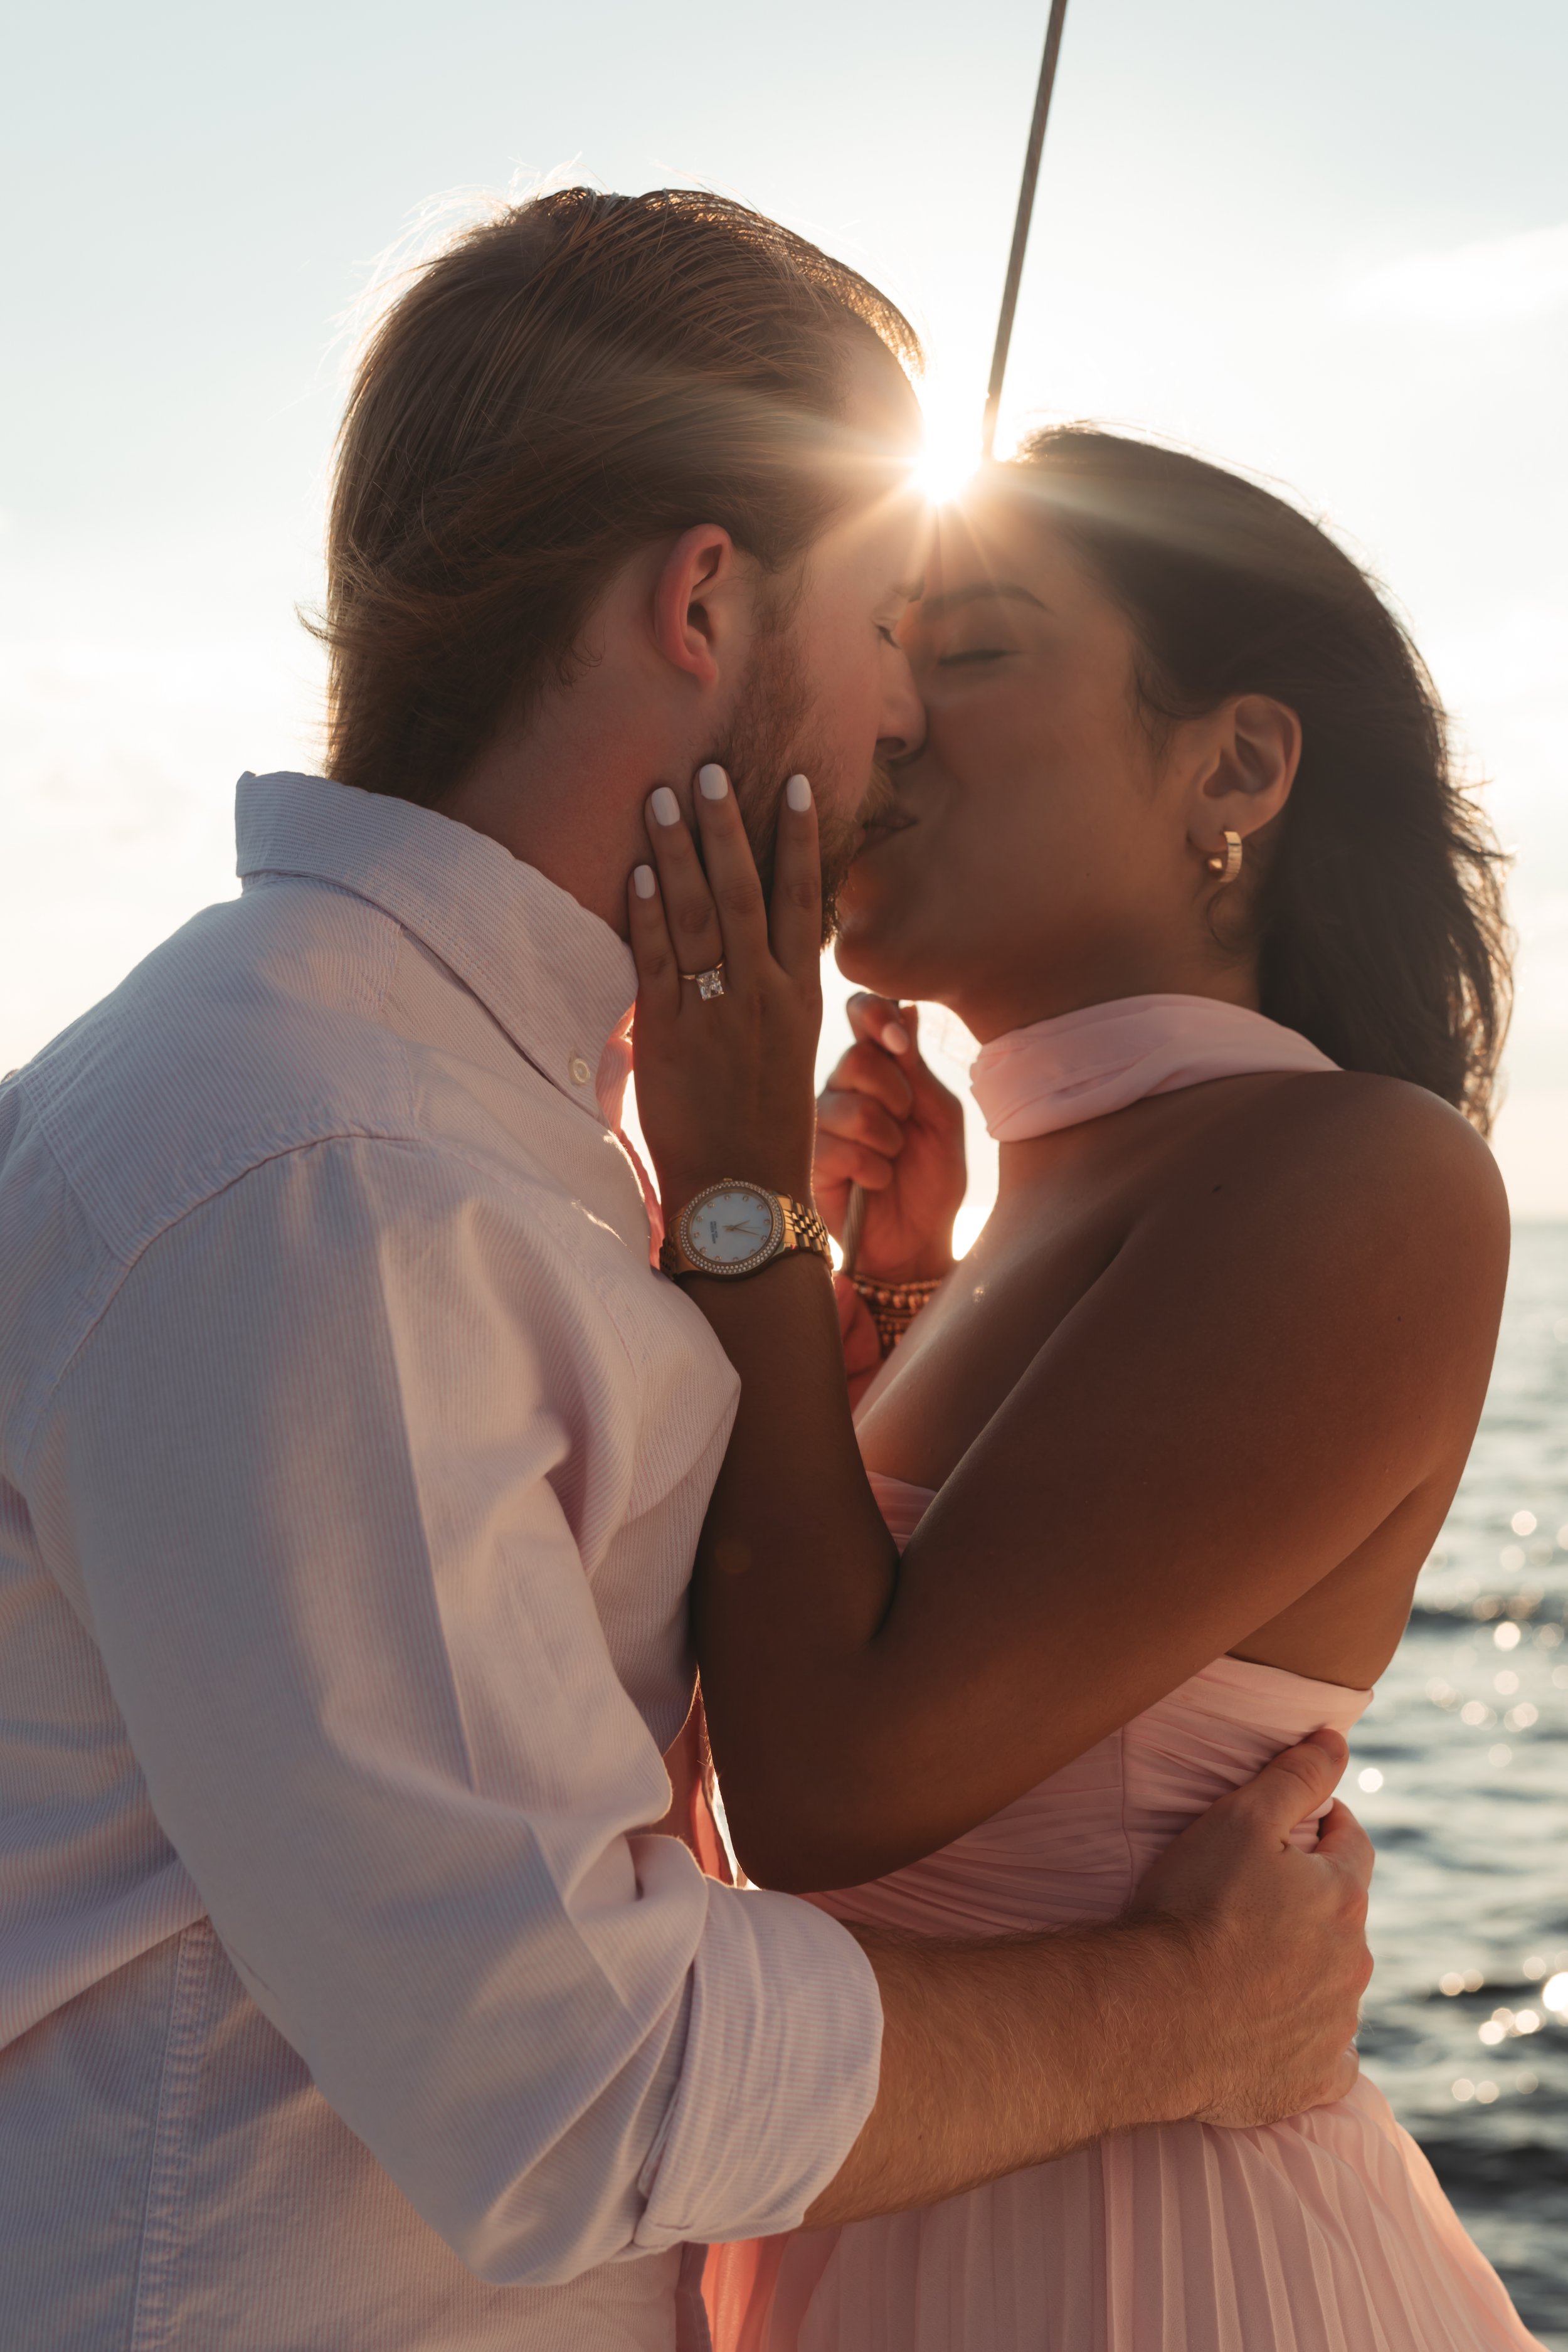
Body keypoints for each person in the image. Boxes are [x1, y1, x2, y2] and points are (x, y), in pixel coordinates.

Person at [0, 200, 1372, 2352]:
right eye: (894, 626)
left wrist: (836, 1310)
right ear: (705, 599)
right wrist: (1181, 2020)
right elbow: (570, 2085)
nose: (907, 716)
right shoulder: (334, 1176)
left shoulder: (434, 1123)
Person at [623, 431, 1537, 2349]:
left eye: (964, 651)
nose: (880, 722)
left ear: (1237, 766)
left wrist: (735, 1192)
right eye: (886, 651)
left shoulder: (1358, 1175)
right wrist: (865, 1291)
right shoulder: (1008, 1218)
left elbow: (830, 1787)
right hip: (866, 2223)